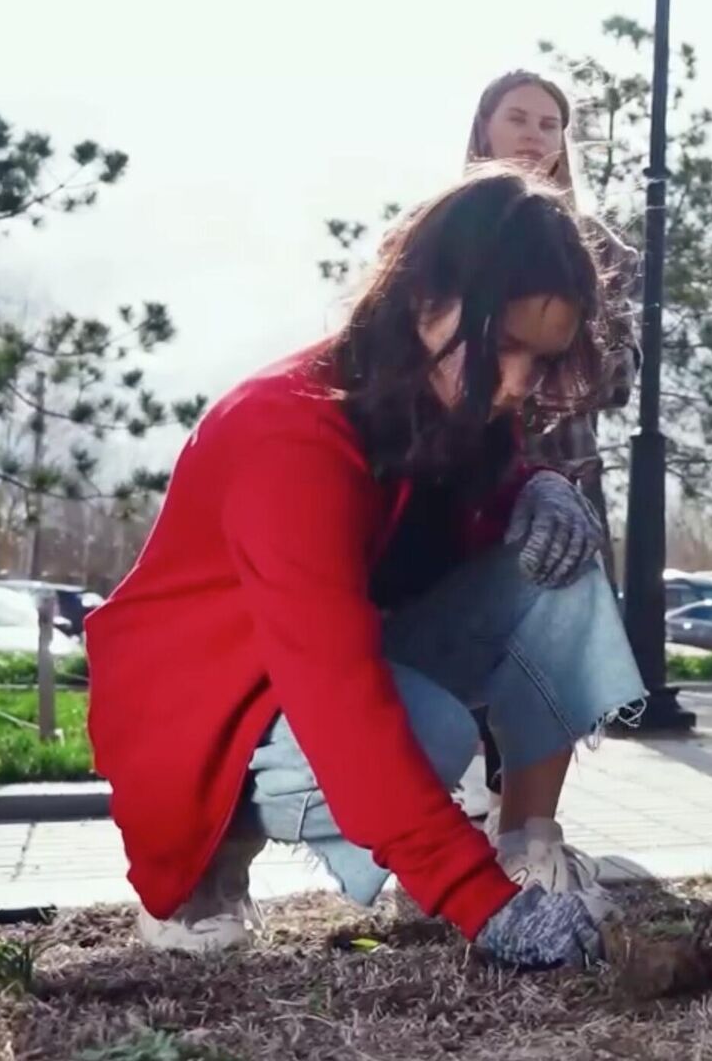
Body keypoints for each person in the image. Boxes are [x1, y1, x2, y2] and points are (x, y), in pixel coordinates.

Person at [85, 168, 644, 966]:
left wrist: (543, 485)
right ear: (425, 301)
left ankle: (527, 845)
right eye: (506, 347)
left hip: (332, 659)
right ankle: (210, 862)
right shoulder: (288, 435)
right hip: (203, 714)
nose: (519, 385)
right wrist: (480, 904)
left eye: (542, 359)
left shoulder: (458, 401)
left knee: (561, 555)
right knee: (432, 730)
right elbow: (340, 699)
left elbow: (457, 525)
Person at [462, 70, 642, 894]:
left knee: (553, 651)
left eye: (552, 122)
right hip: (456, 473)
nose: (536, 134)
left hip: (564, 472)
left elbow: (620, 369)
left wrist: (551, 373)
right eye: (519, 117)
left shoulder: (600, 248)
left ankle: (530, 837)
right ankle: (449, 819)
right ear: (484, 128)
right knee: (456, 643)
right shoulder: (446, 231)